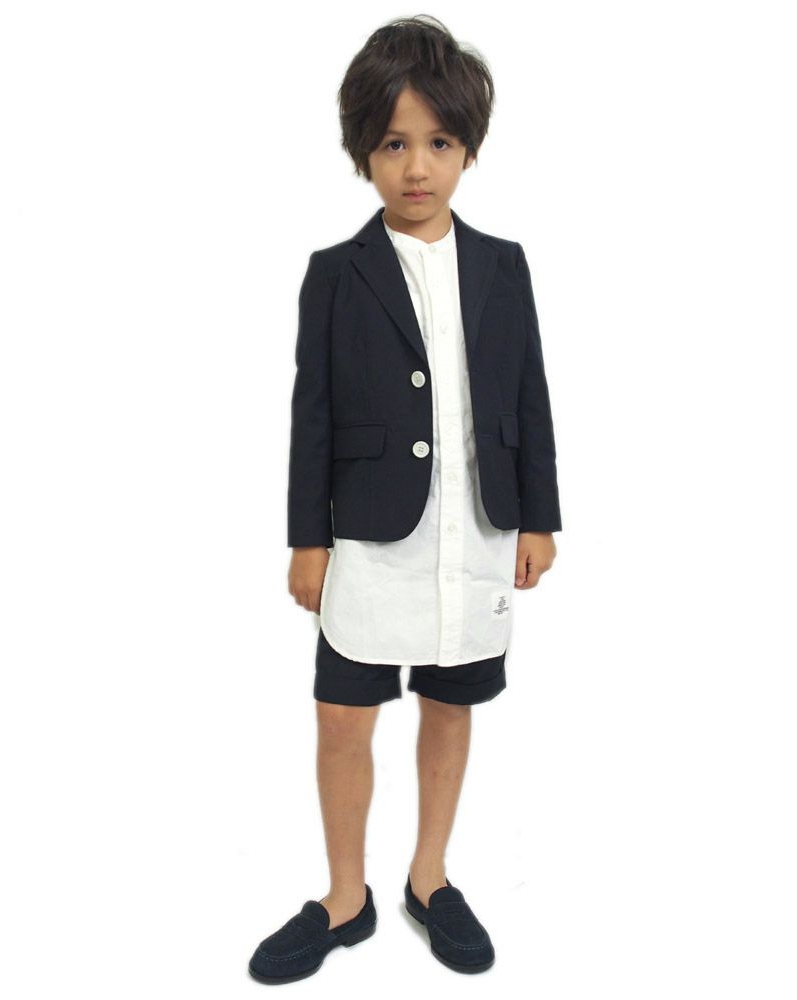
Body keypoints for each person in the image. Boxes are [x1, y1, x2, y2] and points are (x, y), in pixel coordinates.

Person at [249, 15, 561, 984]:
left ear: (467, 149)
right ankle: (345, 898)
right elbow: (310, 414)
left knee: (449, 701)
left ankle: (429, 878)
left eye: (438, 141)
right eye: (392, 143)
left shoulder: (504, 265)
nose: (416, 167)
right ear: (363, 152)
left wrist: (541, 515)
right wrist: (307, 538)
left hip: (475, 525)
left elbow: (529, 394)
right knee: (342, 716)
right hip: (368, 538)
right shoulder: (334, 275)